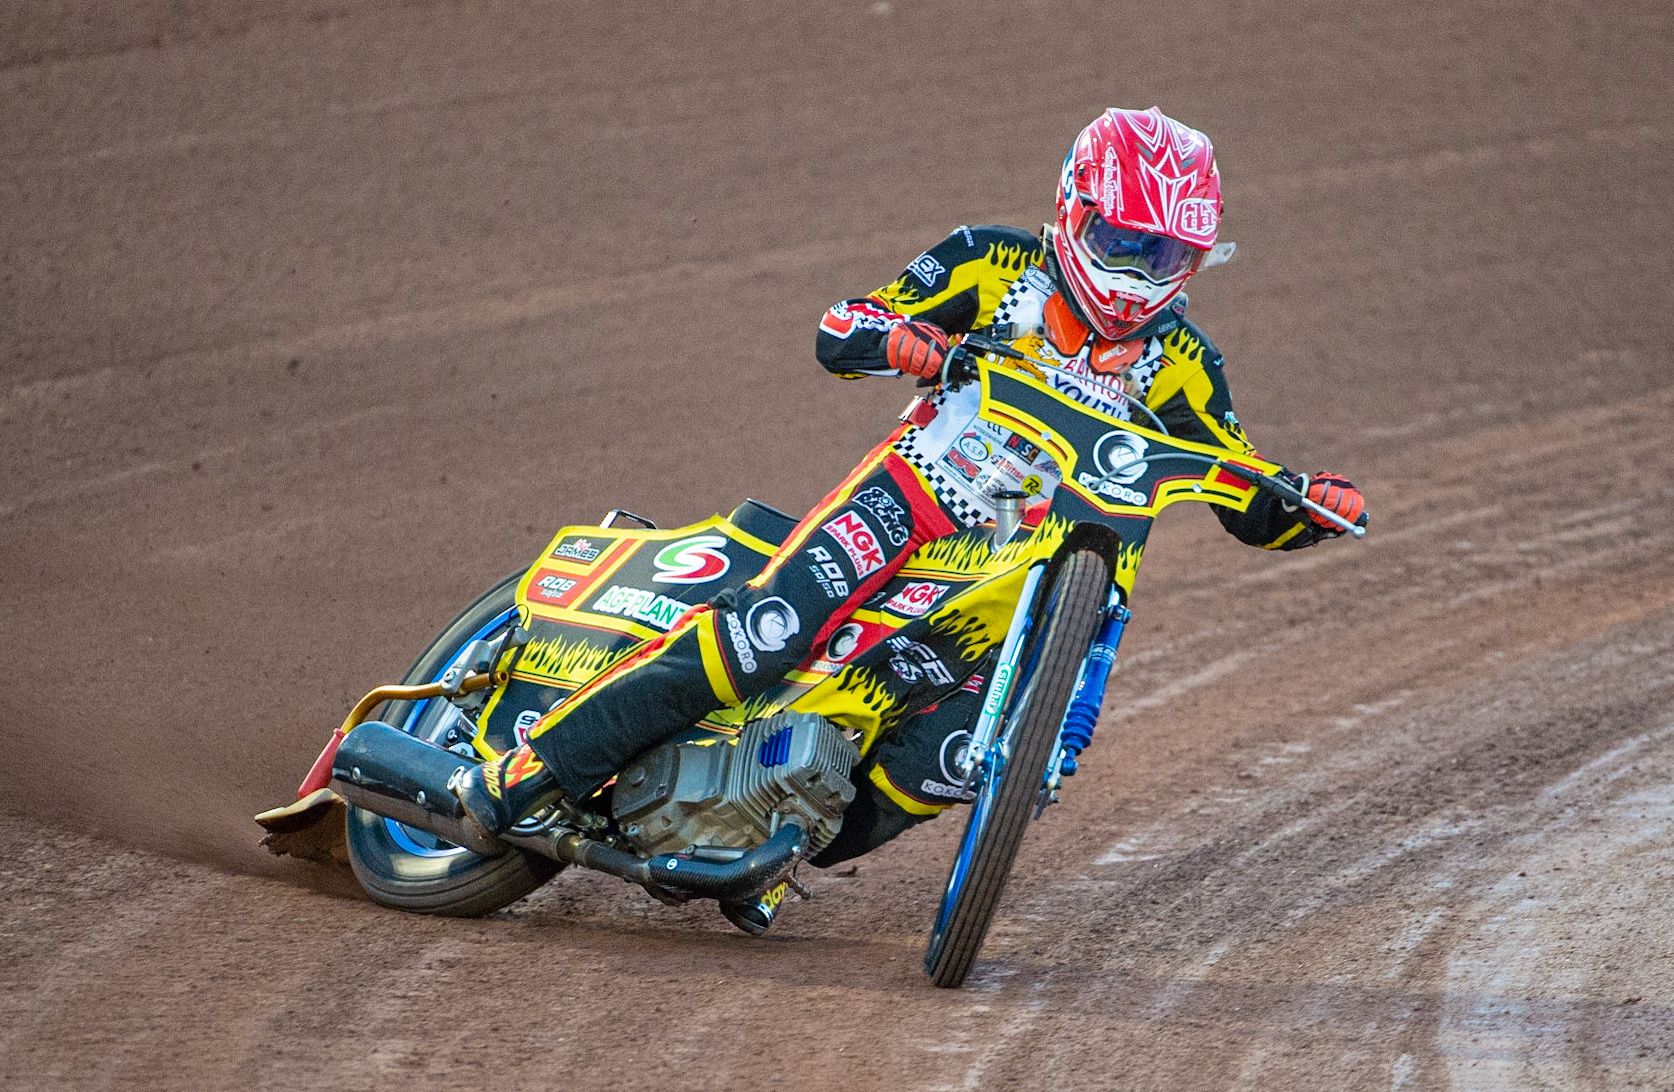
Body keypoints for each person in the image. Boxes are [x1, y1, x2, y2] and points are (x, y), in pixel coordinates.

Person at [456, 107, 1366, 932]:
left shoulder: (1186, 365)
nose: (1135, 275)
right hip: (912, 497)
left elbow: (1246, 491)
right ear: (1073, 209)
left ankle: (765, 840)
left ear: (1196, 261)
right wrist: (896, 337)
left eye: (1162, 256)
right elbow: (843, 324)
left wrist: (1311, 506)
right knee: (766, 634)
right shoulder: (990, 261)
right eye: (1121, 241)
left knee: (952, 757)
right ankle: (532, 771)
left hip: (1025, 568)